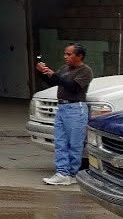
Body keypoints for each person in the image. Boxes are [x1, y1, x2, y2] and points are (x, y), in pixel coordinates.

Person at [37, 43, 93, 185]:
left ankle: (72, 173)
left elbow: (72, 86)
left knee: (74, 143)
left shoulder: (85, 71)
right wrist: (43, 73)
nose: (65, 57)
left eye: (69, 54)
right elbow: (54, 82)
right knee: (60, 142)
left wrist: (53, 75)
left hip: (75, 108)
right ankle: (62, 172)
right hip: (62, 107)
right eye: (65, 54)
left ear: (79, 56)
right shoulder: (64, 69)